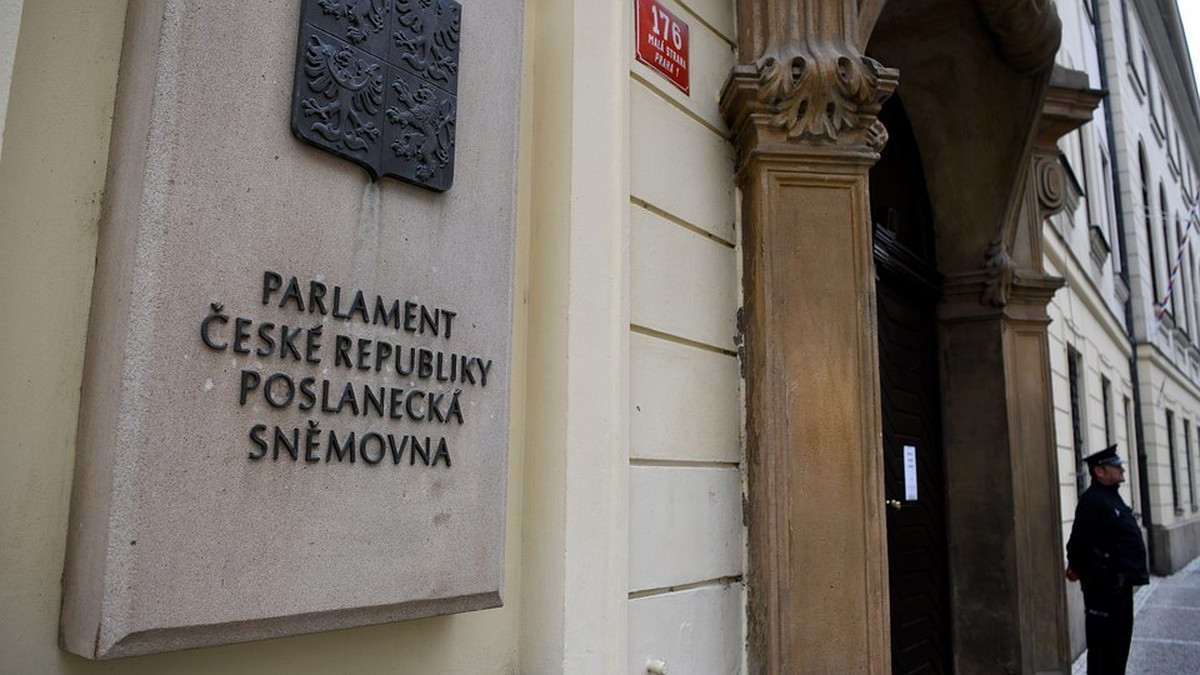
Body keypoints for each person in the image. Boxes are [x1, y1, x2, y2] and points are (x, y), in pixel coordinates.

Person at [1064, 444, 1149, 675]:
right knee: (1105, 654)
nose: (1122, 469)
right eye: (1115, 466)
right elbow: (1079, 544)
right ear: (1099, 471)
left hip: (1119, 591)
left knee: (1117, 652)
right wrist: (1083, 570)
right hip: (1104, 593)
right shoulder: (1093, 501)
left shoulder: (1111, 498)